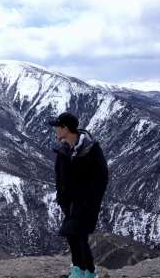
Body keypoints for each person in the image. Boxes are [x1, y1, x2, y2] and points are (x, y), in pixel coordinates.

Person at [48, 111, 109, 278]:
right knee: (75, 236)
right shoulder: (63, 150)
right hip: (70, 203)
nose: (56, 130)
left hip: (86, 203)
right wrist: (62, 198)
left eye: (57, 127)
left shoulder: (91, 149)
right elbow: (59, 177)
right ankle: (84, 270)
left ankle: (83, 271)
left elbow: (102, 177)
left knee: (76, 235)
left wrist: (92, 200)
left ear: (66, 129)